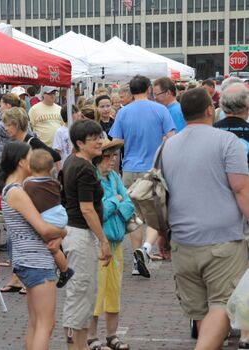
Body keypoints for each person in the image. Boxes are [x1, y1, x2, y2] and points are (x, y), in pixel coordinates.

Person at [162, 87, 249, 350]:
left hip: (182, 241)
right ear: (210, 110)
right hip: (222, 240)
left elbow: (162, 195)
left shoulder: (168, 146)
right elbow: (241, 188)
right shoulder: (227, 142)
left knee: (200, 312)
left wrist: (163, 235)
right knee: (223, 306)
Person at [0, 141, 67, 350]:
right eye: (31, 156)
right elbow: (44, 229)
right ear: (21, 162)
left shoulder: (11, 189)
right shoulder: (17, 191)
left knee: (36, 322)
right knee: (46, 323)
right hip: (36, 261)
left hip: (26, 260)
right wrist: (64, 231)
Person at [109, 75, 175, 278]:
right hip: (154, 170)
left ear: (131, 91)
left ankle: (136, 260)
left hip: (129, 168)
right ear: (148, 88)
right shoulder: (160, 110)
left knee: (133, 216)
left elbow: (117, 141)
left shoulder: (123, 113)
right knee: (156, 213)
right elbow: (171, 138)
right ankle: (145, 249)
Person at [62, 119, 112, 350]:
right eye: (95, 139)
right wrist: (103, 240)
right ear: (80, 143)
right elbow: (87, 208)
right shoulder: (82, 167)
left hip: (76, 234)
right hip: (81, 235)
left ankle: (80, 346)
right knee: (79, 295)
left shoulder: (74, 162)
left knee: (83, 297)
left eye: (100, 136)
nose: (100, 142)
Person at [88, 139, 134, 350]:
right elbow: (101, 212)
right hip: (99, 243)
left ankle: (111, 335)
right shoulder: (94, 179)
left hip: (116, 242)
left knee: (114, 289)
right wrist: (115, 202)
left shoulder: (115, 177)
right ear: (100, 157)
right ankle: (91, 336)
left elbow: (129, 205)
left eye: (115, 156)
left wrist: (115, 203)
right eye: (109, 156)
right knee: (97, 290)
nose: (113, 160)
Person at [213, 83, 249, 349]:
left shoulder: (212, 133)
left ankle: (219, 327)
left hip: (217, 211)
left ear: (222, 107)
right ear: (247, 107)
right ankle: (245, 332)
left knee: (219, 270)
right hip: (245, 206)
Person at [23, 149, 75, 287]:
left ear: (29, 167)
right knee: (55, 244)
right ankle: (63, 264)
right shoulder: (55, 183)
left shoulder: (29, 184)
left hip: (49, 218)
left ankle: (65, 270)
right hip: (60, 215)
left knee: (52, 248)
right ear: (52, 168)